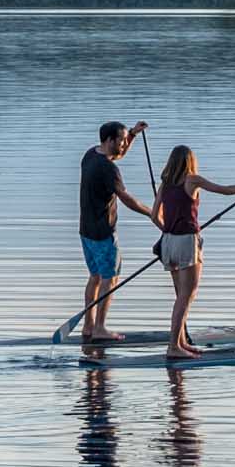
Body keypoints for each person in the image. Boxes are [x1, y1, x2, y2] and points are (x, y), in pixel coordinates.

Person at [156, 145, 235, 358]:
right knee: (187, 295)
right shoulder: (192, 180)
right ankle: (173, 347)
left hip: (167, 242)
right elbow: (224, 190)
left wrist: (169, 229)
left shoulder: (164, 185)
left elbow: (153, 215)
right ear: (189, 161)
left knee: (180, 295)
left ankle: (182, 342)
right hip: (186, 242)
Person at [77, 120, 161, 342]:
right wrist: (153, 214)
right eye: (122, 140)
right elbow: (126, 198)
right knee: (109, 279)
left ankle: (88, 326)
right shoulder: (108, 168)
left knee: (95, 277)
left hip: (85, 230)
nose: (124, 144)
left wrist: (132, 134)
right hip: (103, 232)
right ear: (109, 140)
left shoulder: (90, 155)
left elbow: (118, 155)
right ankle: (100, 328)